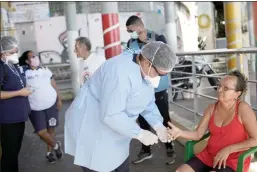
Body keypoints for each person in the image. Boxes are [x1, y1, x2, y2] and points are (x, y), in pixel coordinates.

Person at [64, 41, 177, 172]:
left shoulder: (144, 70)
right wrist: (139, 133)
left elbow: (146, 101)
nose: (160, 78)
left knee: (118, 163)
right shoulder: (120, 73)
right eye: (160, 74)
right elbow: (111, 114)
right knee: (98, 164)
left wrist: (158, 125)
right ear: (147, 62)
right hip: (93, 127)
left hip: (117, 131)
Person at [168, 70, 257, 172]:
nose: (219, 90)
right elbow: (198, 134)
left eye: (225, 88)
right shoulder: (211, 108)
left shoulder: (243, 109)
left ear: (237, 94)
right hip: (209, 156)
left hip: (232, 160)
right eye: (219, 86)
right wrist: (180, 133)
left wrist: (229, 149)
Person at [125, 15, 176, 164]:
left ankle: (170, 148)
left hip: (158, 88)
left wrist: (149, 45)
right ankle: (146, 150)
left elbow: (167, 57)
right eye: (128, 31)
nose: (130, 33)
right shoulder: (131, 42)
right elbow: (128, 61)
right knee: (142, 119)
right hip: (140, 88)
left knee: (163, 118)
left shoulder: (158, 38)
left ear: (139, 26)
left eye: (131, 30)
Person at [18, 50, 64, 163]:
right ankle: (56, 145)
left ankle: (49, 153)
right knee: (40, 132)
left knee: (51, 129)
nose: (35, 58)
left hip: (51, 104)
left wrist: (59, 99)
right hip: (34, 107)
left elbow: (54, 84)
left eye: (36, 56)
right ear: (27, 61)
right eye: (32, 57)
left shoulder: (45, 69)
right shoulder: (23, 72)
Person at [0, 36, 32, 172]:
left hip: (18, 117)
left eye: (16, 51)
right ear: (3, 52)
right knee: (9, 155)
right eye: (12, 52)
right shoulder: (1, 67)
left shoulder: (11, 65)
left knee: (14, 153)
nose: (15, 54)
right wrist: (19, 92)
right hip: (8, 119)